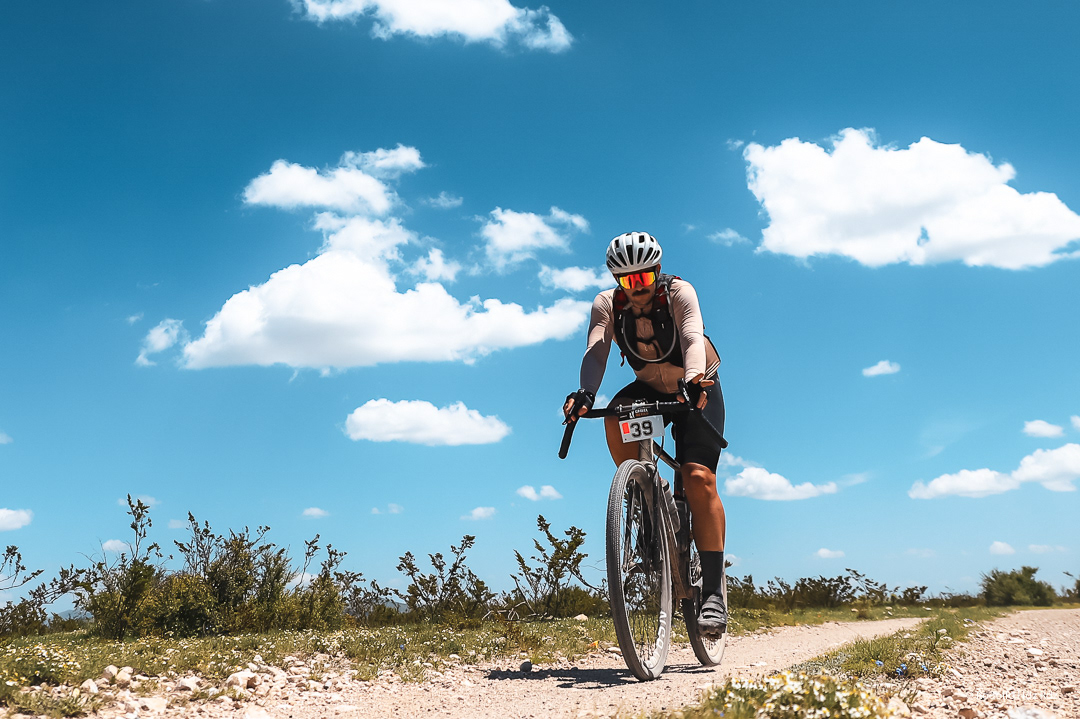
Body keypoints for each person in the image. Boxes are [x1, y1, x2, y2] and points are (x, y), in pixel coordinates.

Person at [563, 231, 728, 636]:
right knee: (612, 416)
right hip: (649, 388)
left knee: (697, 477)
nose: (636, 288)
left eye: (643, 278)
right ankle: (646, 492)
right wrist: (585, 393)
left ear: (657, 271)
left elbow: (692, 336)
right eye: (627, 280)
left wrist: (693, 378)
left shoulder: (679, 292)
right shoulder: (607, 304)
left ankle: (712, 593)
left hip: (695, 387)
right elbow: (597, 350)